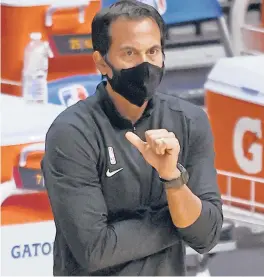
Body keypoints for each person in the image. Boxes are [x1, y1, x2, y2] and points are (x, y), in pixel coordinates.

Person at [41, 0, 223, 275]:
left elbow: (206, 235)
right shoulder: (72, 133)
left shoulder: (189, 121)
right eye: (129, 53)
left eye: (153, 51)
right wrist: (178, 221)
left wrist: (173, 179)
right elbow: (95, 250)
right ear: (101, 62)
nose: (145, 64)